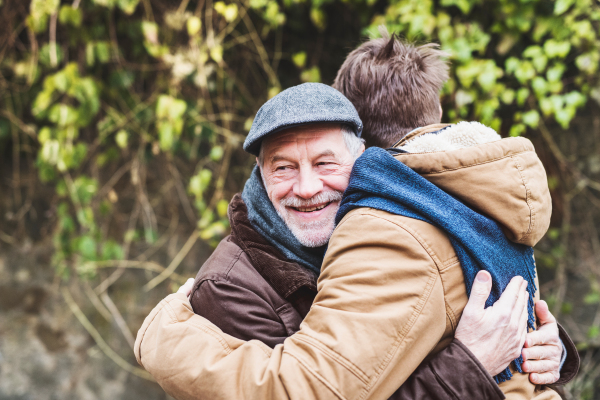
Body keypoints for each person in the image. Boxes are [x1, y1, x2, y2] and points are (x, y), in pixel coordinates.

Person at [135, 40, 578, 399]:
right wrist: (470, 368)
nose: (307, 187)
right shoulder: (231, 288)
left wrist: (542, 348)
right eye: (284, 167)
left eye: (326, 163)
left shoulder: (399, 224)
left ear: (366, 161)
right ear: (261, 174)